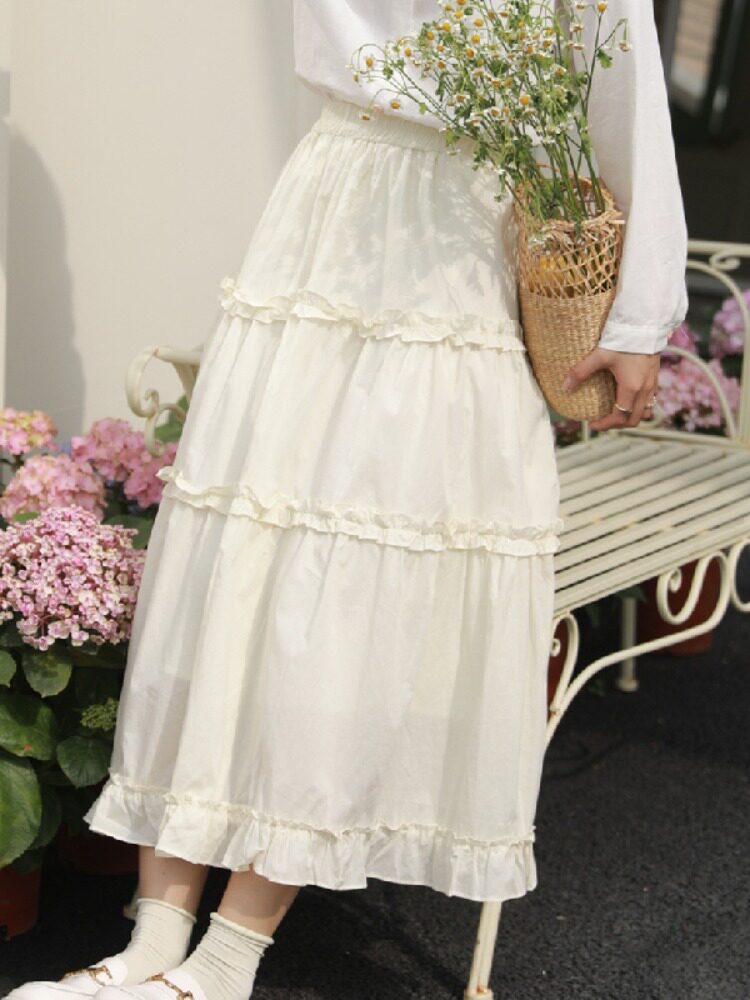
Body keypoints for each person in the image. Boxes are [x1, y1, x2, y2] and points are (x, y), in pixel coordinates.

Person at [5, 2, 687, 999]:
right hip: (330, 202)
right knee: (240, 546)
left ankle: (225, 959)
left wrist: (639, 315)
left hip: (459, 239)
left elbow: (622, 88)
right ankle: (152, 942)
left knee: (365, 584)